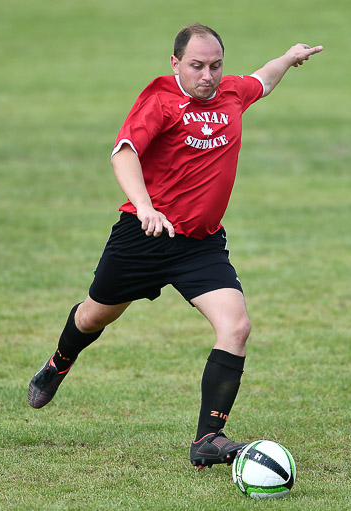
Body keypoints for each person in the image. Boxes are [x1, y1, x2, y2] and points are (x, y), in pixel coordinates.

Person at [27, 23, 323, 469]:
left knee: (236, 327)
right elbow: (124, 152)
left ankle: (208, 438)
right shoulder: (160, 99)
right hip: (144, 237)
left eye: (216, 66)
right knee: (92, 316)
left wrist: (288, 57)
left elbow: (262, 79)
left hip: (201, 245)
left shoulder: (231, 93)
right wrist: (145, 207)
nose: (208, 76)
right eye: (197, 66)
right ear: (175, 63)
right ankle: (59, 362)